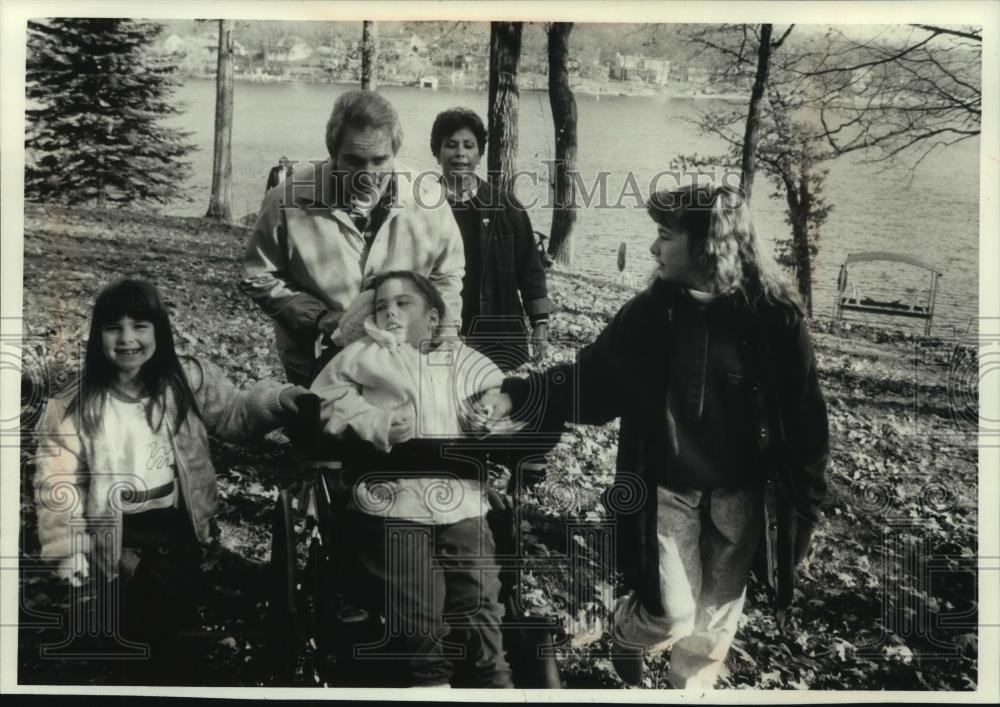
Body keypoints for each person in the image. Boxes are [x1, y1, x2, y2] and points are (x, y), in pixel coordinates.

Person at [476, 182, 829, 689]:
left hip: (744, 499)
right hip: (665, 490)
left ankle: (688, 693)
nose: (653, 247)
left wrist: (804, 512)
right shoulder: (650, 316)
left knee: (711, 626)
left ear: (709, 244)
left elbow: (806, 428)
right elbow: (591, 380)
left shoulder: (774, 320)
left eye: (665, 235)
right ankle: (626, 629)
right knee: (673, 613)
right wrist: (518, 392)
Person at [33, 279, 312, 682]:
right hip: (112, 534)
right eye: (114, 328)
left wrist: (278, 400)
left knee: (171, 617)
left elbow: (235, 413)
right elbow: (56, 483)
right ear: (97, 336)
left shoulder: (184, 382)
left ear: (159, 331)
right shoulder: (76, 404)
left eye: (140, 326)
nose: (127, 338)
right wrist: (67, 549)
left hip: (173, 528)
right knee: (122, 629)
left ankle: (176, 664)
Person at [310, 271, 513, 688]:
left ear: (434, 317)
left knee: (477, 592)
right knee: (417, 599)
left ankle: (493, 679)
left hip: (460, 495)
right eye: (381, 306)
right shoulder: (364, 355)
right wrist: (376, 422)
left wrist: (491, 416)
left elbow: (504, 397)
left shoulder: (464, 360)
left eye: (404, 303)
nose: (390, 313)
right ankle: (430, 680)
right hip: (393, 493)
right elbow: (325, 401)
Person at [242, 89, 465, 386]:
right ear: (333, 154)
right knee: (322, 430)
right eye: (354, 161)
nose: (367, 175)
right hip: (316, 359)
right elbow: (259, 276)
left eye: (379, 160)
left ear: (394, 151)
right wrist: (318, 317)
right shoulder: (286, 200)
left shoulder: (429, 198)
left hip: (405, 358)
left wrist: (443, 332)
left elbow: (447, 275)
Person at [430, 108, 550, 371]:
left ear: (480, 154)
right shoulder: (423, 207)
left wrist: (540, 322)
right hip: (440, 331)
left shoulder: (505, 206)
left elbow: (530, 269)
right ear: (437, 152)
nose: (460, 153)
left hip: (499, 335)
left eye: (468, 146)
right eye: (450, 145)